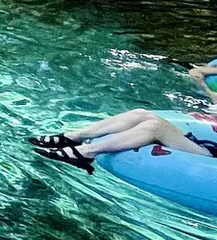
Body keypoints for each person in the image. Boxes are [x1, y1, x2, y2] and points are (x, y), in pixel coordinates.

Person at [31, 63, 217, 170]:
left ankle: (87, 152)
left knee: (153, 128)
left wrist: (205, 82)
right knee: (141, 114)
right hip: (210, 148)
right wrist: (203, 79)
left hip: (209, 160)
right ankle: (73, 137)